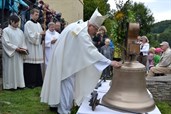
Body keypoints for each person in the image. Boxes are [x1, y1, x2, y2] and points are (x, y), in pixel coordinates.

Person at [40, 9, 122, 114]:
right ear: (91, 25)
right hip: (67, 62)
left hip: (62, 57)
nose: (96, 32)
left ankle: (55, 104)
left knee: (60, 82)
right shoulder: (82, 33)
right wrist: (110, 62)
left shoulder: (79, 25)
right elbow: (91, 52)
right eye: (96, 29)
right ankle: (64, 110)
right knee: (67, 85)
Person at [2, 15, 28, 89]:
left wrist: (23, 49)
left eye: (18, 22)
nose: (17, 24)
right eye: (16, 22)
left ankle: (19, 84)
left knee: (19, 69)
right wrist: (16, 48)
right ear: (11, 21)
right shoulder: (6, 30)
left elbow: (23, 42)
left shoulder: (20, 31)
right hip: (11, 54)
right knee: (10, 69)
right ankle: (10, 86)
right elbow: (6, 43)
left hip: (19, 54)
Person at [24, 8, 44, 88]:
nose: (37, 16)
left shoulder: (38, 24)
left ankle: (37, 82)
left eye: (38, 15)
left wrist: (42, 35)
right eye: (36, 14)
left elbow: (40, 34)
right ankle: (30, 83)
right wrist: (39, 34)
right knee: (31, 66)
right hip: (31, 47)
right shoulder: (28, 24)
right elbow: (29, 36)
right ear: (31, 15)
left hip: (37, 48)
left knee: (37, 66)